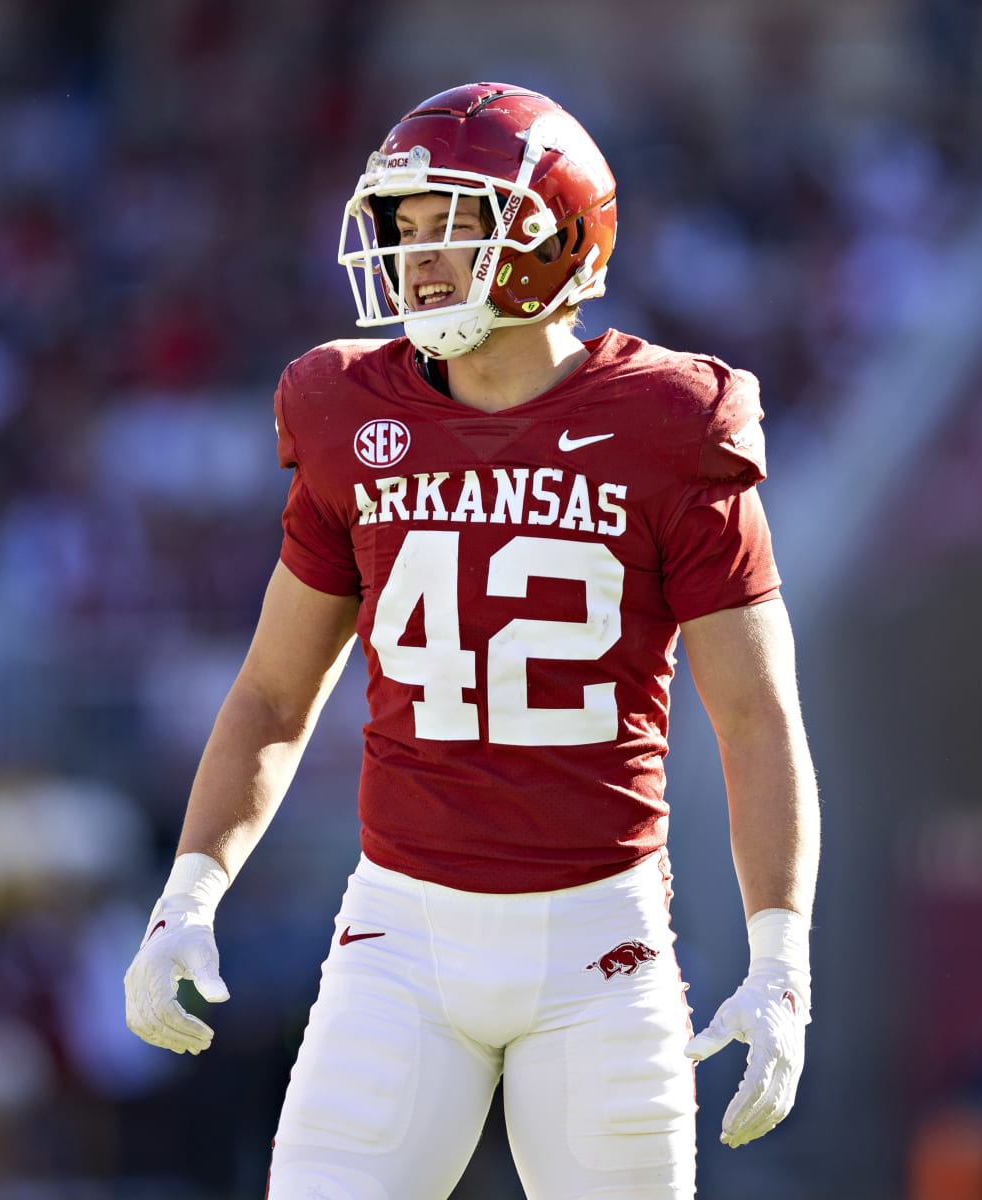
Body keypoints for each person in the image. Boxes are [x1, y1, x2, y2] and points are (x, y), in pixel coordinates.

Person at [125, 81, 819, 1199]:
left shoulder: (671, 423)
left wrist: (780, 959)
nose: (417, 256)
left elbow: (756, 716)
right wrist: (189, 895)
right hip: (399, 933)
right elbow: (272, 695)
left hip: (603, 948)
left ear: (552, 232)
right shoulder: (349, 408)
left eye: (452, 220)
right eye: (403, 227)